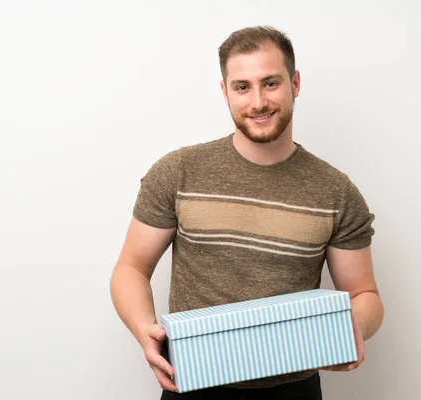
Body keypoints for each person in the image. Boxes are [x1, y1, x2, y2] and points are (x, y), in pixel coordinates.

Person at [110, 25, 384, 400]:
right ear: (225, 92)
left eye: (271, 83)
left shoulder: (336, 192)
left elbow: (364, 294)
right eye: (243, 87)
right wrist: (145, 330)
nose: (258, 102)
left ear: (296, 83)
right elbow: (131, 268)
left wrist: (353, 325)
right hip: (193, 383)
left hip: (294, 389)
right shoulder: (178, 172)